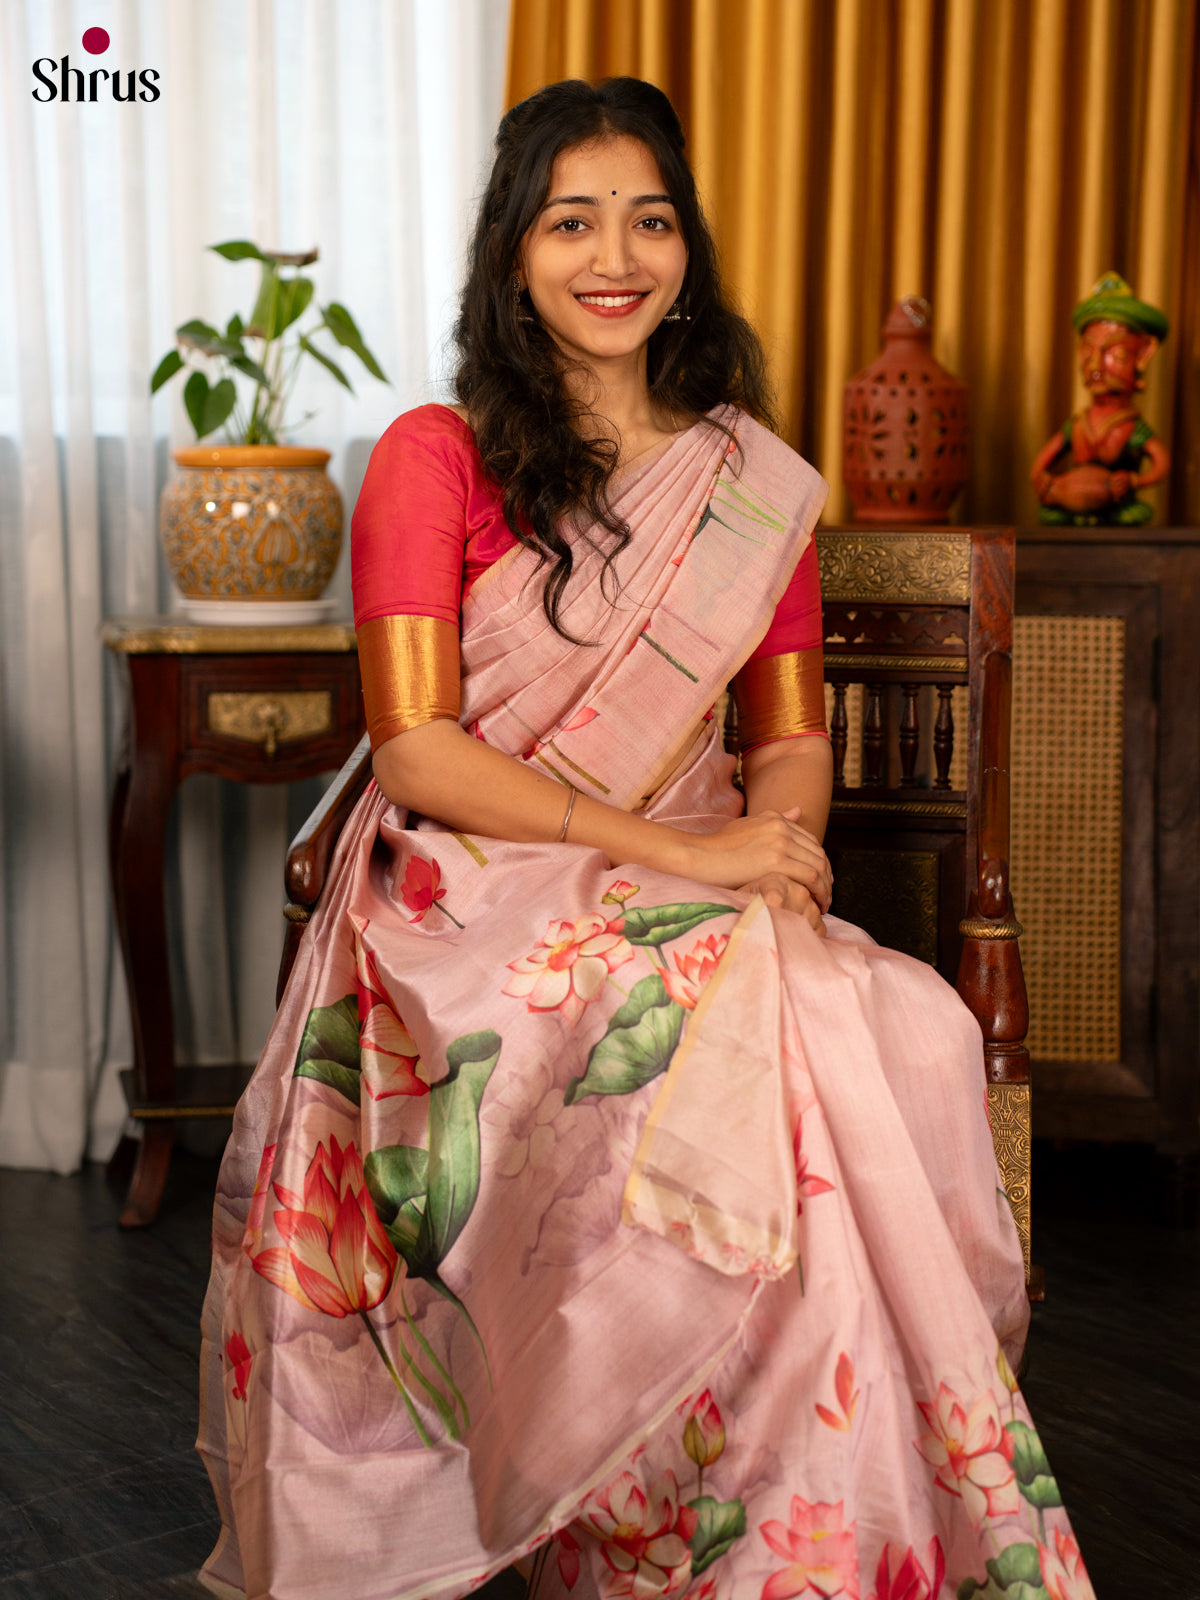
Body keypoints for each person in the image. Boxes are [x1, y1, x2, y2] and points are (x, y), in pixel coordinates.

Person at [199, 78, 1094, 1600]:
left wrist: (778, 860)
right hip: (474, 883)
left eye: (650, 218)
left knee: (885, 1021)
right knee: (709, 1004)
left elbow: (790, 740)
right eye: (572, 221)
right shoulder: (437, 453)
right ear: (513, 250)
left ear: (688, 246)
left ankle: (785, 1528)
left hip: (691, 869)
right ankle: (700, 1521)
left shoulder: (748, 483)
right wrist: (689, 863)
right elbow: (417, 751)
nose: (616, 255)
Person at [1030, 270, 1170, 525]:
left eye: (1116, 355)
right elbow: (1040, 464)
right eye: (1087, 351)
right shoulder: (1079, 424)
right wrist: (1045, 482)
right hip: (1071, 502)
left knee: (1132, 516)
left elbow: (1161, 463)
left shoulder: (1132, 427)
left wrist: (1135, 481)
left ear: (1143, 356)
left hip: (1116, 501)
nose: (1096, 364)